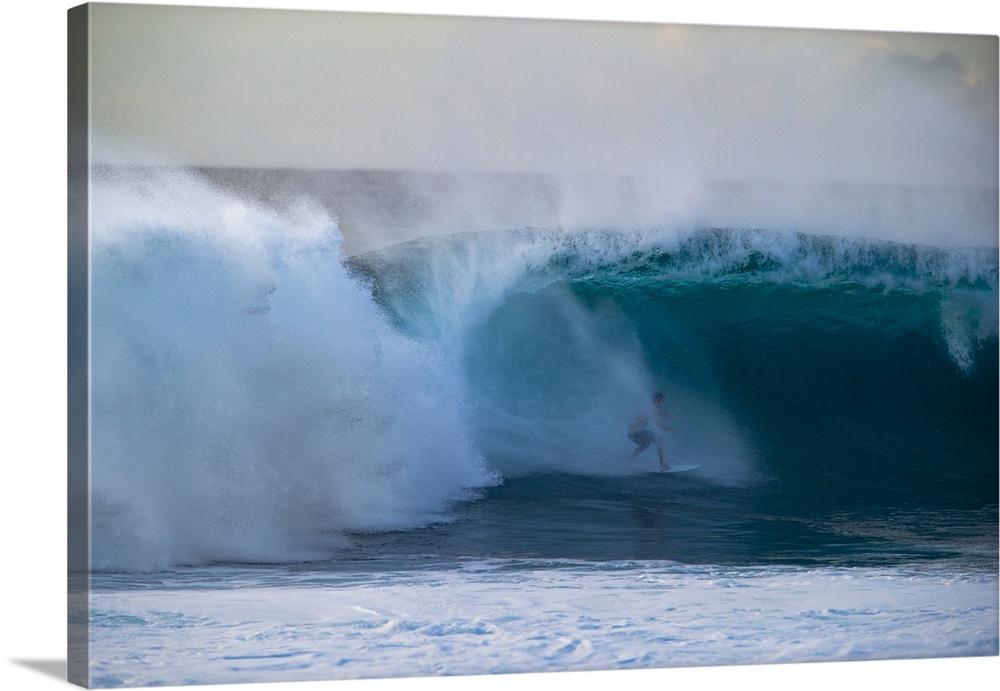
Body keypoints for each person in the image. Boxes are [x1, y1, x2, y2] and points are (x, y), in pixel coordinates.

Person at [628, 391, 677, 470]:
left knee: (646, 444)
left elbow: (654, 415)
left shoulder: (650, 408)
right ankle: (662, 464)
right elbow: (659, 425)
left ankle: (630, 459)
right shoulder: (651, 409)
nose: (663, 404)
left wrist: (665, 415)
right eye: (662, 401)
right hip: (635, 432)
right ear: (657, 400)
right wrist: (672, 430)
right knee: (659, 439)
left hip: (631, 433)